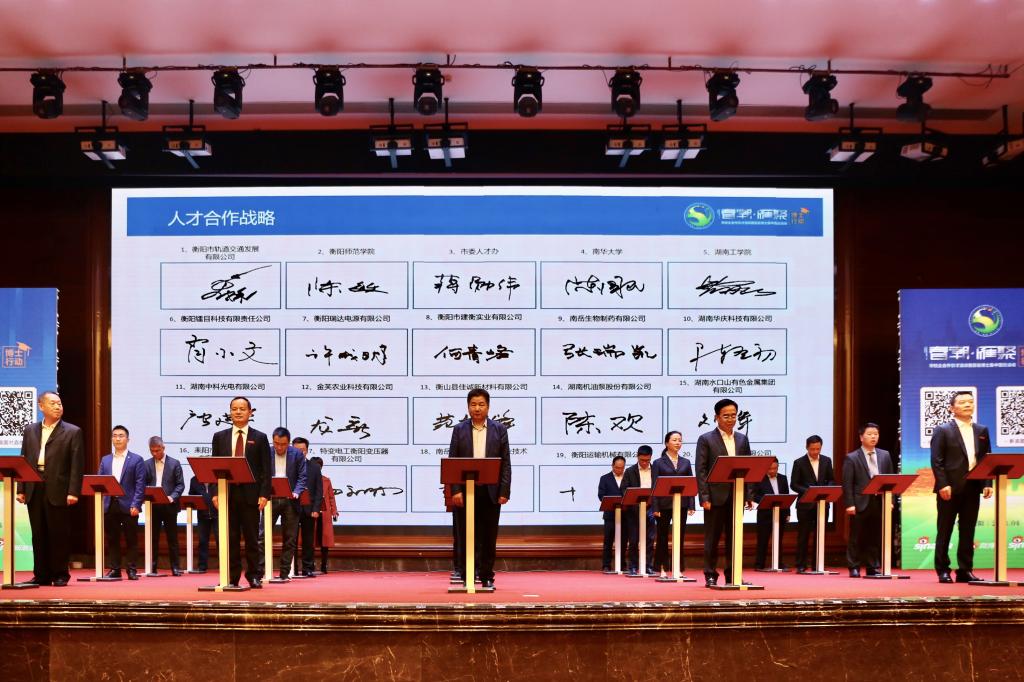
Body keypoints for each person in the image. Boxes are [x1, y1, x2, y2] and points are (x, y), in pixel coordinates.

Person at [16, 391, 84, 587]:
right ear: (41, 406)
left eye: (59, 403)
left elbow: (77, 464)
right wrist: (21, 487)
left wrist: (73, 491)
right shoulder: (30, 430)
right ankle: (41, 575)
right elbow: (23, 459)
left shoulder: (73, 431)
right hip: (34, 486)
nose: (57, 407)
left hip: (59, 488)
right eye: (53, 403)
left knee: (58, 533)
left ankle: (60, 574)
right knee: (38, 534)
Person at [448, 387, 511, 590]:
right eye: (473, 404)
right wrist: (455, 490)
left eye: (481, 404)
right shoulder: (459, 430)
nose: (477, 408)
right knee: (465, 534)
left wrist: (504, 491)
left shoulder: (499, 430)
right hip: (465, 491)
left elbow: (505, 463)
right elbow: (453, 461)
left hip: (490, 491)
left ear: (488, 407)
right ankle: (467, 575)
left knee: (488, 536)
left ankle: (486, 576)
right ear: (468, 407)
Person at [931, 391, 992, 583]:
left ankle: (965, 569)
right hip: (949, 488)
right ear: (952, 408)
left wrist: (987, 483)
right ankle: (943, 569)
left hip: (973, 487)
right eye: (963, 402)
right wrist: (943, 484)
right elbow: (937, 461)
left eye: (970, 402)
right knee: (945, 529)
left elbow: (986, 459)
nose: (968, 405)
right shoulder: (943, 430)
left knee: (968, 530)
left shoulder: (982, 430)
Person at [211, 396, 272, 589]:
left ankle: (254, 575)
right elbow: (214, 468)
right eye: (234, 409)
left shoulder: (260, 437)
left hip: (251, 496)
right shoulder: (219, 437)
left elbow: (266, 470)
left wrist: (265, 494)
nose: (238, 412)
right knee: (230, 538)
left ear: (250, 412)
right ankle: (231, 576)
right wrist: (214, 493)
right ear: (230, 412)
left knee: (252, 538)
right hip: (227, 494)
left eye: (242, 409)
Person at [695, 398, 754, 587]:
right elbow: (701, 470)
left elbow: (748, 467)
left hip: (737, 495)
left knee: (735, 537)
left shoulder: (742, 439)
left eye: (733, 415)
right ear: (717, 417)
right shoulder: (706, 439)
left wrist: (749, 495)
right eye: (726, 416)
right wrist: (704, 497)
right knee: (712, 538)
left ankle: (733, 574)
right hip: (715, 497)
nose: (730, 419)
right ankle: (710, 574)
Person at [842, 422, 894, 577]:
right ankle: (854, 566)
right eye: (870, 434)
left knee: (875, 535)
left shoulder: (885, 455)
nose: (873, 437)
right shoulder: (852, 457)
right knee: (856, 536)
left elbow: (891, 478)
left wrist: (890, 500)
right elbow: (847, 483)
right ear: (861, 437)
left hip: (879, 501)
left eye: (876, 434)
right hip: (860, 502)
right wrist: (849, 504)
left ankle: (873, 566)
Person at [257, 427, 307, 581]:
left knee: (290, 538)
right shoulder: (266, 452)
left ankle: (284, 573)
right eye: (276, 443)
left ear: (289, 443)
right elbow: (259, 474)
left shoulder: (297, 454)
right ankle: (260, 571)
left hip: (291, 500)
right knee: (262, 536)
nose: (279, 447)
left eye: (283, 444)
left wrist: (297, 491)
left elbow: (302, 477)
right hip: (269, 499)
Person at [98, 425, 146, 580]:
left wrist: (136, 504)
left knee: (131, 539)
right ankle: (115, 569)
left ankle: (131, 569)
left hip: (129, 505)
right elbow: (100, 481)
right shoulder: (105, 460)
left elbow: (140, 484)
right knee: (112, 539)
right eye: (114, 435)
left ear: (128, 439)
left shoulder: (137, 459)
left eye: (121, 436)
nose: (117, 438)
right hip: (110, 504)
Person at [651, 432, 696, 577]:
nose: (678, 443)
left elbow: (690, 483)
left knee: (679, 536)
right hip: (663, 505)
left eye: (680, 440)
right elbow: (654, 486)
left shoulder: (686, 462)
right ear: (666, 443)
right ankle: (662, 567)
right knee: (662, 537)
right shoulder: (658, 463)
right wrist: (655, 507)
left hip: (681, 504)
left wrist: (691, 504)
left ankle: (678, 568)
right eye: (674, 440)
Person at [789, 435, 835, 573]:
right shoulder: (799, 462)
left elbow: (831, 480)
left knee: (820, 534)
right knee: (803, 536)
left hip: (822, 504)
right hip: (805, 505)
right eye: (812, 449)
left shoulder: (827, 460)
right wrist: (810, 492)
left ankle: (818, 564)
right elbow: (794, 484)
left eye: (818, 449)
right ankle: (801, 564)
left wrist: (826, 490)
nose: (815, 452)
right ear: (807, 447)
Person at [146, 436, 185, 575]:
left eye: (157, 450)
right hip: (153, 507)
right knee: (153, 538)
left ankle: (175, 567)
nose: (154, 453)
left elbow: (180, 485)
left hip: (169, 506)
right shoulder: (146, 464)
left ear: (163, 448)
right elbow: (142, 483)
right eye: (152, 451)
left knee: (172, 539)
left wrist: (172, 497)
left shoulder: (175, 463)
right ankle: (152, 567)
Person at [621, 445, 657, 576]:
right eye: (642, 460)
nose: (644, 463)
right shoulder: (630, 471)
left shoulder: (656, 470)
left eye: (647, 460)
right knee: (634, 540)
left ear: (651, 457)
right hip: (634, 510)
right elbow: (623, 489)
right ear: (637, 457)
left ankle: (648, 566)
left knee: (650, 539)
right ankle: (633, 566)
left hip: (651, 509)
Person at [292, 436, 322, 577]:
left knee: (308, 540)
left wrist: (316, 509)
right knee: (290, 539)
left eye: (302, 450)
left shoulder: (314, 467)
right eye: (297, 450)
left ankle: (308, 568)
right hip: (292, 507)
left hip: (309, 509)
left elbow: (319, 490)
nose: (300, 452)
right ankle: (291, 568)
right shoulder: (288, 466)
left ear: (307, 451)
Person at [753, 457, 790, 570]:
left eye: (775, 468)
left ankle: (778, 563)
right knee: (763, 540)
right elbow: (754, 495)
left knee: (778, 539)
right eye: (770, 469)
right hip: (765, 514)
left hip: (780, 513)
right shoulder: (759, 478)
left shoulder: (783, 478)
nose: (773, 471)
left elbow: (787, 495)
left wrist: (788, 513)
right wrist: (767, 500)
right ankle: (759, 564)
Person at [597, 455, 627, 572]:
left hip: (625, 514)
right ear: (612, 466)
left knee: (624, 541)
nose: (619, 470)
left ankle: (622, 564)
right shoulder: (605, 478)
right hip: (610, 515)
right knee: (608, 541)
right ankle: (606, 565)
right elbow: (601, 495)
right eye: (617, 467)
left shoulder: (628, 477)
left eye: (622, 468)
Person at [311, 456, 338, 573]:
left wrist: (334, 511)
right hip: (312, 512)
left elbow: (331, 497)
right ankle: (310, 565)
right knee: (311, 540)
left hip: (325, 513)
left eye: (319, 466)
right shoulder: (307, 479)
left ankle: (324, 565)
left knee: (324, 541)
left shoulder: (326, 480)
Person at [187, 474, 218, 572]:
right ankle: (202, 566)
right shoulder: (194, 480)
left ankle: (224, 566)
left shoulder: (216, 478)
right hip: (202, 515)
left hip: (218, 514)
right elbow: (191, 496)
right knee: (202, 541)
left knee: (220, 540)